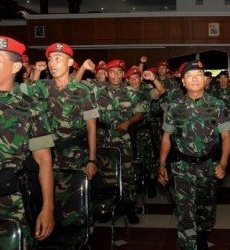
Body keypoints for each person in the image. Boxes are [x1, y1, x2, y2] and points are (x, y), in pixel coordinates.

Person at [0, 36, 55, 250]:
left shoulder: (31, 108)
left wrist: (48, 207)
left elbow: (44, 159)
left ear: (16, 66)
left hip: (7, 205)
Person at [158, 60, 230, 250]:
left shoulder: (217, 105)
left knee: (206, 208)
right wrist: (162, 164)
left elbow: (226, 136)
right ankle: (186, 248)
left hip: (209, 166)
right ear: (183, 82)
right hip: (182, 166)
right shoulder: (175, 106)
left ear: (206, 80)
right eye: (190, 76)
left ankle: (202, 233)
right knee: (185, 211)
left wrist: (223, 163)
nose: (195, 79)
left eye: (199, 75)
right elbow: (167, 136)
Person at [20, 43, 99, 179]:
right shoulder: (42, 87)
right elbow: (26, 97)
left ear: (69, 62)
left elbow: (91, 127)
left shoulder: (83, 90)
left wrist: (92, 160)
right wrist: (37, 72)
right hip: (46, 156)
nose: (52, 63)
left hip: (75, 155)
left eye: (57, 59)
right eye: (50, 59)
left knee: (74, 197)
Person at [93, 60, 144, 224]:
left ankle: (129, 207)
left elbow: (140, 113)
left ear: (123, 75)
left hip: (122, 137)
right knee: (104, 172)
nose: (115, 75)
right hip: (102, 136)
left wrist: (128, 122)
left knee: (128, 172)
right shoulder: (97, 90)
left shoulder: (131, 92)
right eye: (112, 72)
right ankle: (105, 208)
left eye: (119, 72)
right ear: (106, 74)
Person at [126, 66, 165, 198]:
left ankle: (151, 186)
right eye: (131, 79)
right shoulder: (122, 93)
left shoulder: (146, 92)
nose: (134, 81)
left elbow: (161, 90)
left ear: (140, 80)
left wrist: (153, 79)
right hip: (128, 133)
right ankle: (136, 186)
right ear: (127, 80)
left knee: (150, 160)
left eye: (136, 78)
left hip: (145, 132)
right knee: (133, 160)